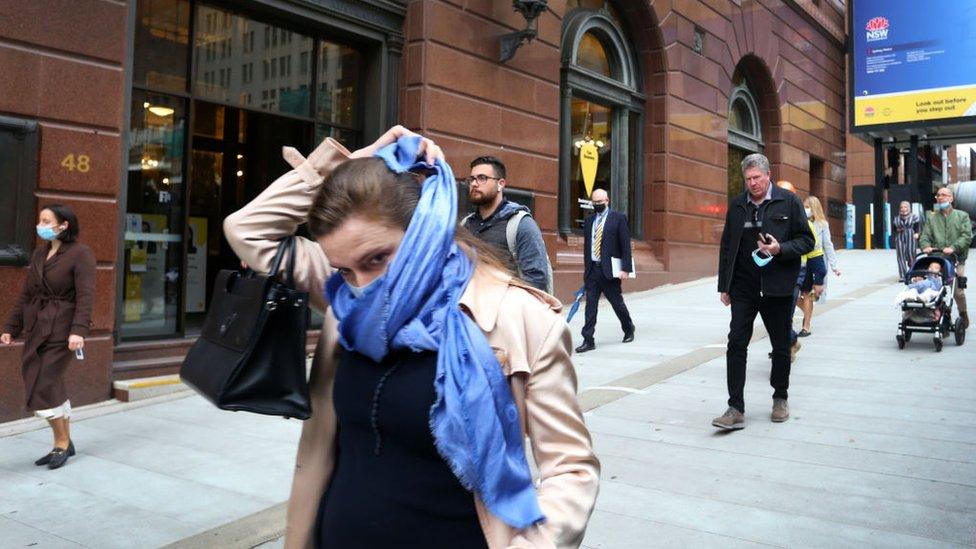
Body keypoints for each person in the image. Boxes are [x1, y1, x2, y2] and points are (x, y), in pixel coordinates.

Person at [222, 126, 599, 548]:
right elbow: (247, 229)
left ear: (425, 231)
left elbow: (571, 469)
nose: (363, 284)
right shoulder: (347, 298)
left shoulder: (522, 321)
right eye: (345, 269)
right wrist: (343, 168)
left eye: (377, 258)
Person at [714, 154, 814, 430]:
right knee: (736, 344)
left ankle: (780, 398)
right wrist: (725, 286)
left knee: (781, 346)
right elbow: (726, 247)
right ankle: (735, 407)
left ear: (768, 175)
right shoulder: (737, 205)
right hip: (744, 287)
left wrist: (780, 248)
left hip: (778, 287)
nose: (753, 183)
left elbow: (807, 240)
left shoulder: (789, 201)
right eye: (748, 179)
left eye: (757, 177)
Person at [2, 204, 96, 469]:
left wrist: (79, 331)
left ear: (63, 224)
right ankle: (66, 439)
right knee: (48, 383)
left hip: (63, 329)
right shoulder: (40, 253)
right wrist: (11, 326)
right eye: (40, 220)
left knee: (43, 383)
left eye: (46, 220)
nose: (40, 225)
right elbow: (27, 294)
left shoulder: (81, 254)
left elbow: (86, 296)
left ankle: (61, 443)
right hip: (37, 327)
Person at [461, 156, 552, 292]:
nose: (474, 184)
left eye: (482, 178)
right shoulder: (465, 225)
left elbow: (536, 281)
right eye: (472, 179)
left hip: (505, 310)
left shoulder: (520, 224)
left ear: (501, 184)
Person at [575, 188, 635, 353]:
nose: (597, 205)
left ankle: (628, 328)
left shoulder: (618, 219)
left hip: (609, 271)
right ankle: (588, 340)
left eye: (600, 202)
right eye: (594, 202)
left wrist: (625, 269)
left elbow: (625, 245)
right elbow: (589, 246)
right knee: (590, 306)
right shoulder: (589, 221)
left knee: (617, 303)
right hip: (593, 271)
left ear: (607, 201)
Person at [920, 186, 972, 328]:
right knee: (936, 287)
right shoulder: (932, 218)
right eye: (938, 195)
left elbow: (967, 236)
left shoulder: (962, 216)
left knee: (958, 291)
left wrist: (954, 247)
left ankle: (963, 313)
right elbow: (925, 236)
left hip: (956, 258)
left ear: (951, 198)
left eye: (944, 195)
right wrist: (925, 245)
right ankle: (943, 316)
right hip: (937, 258)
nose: (940, 197)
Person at [795, 196, 841, 337]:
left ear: (814, 208)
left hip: (814, 261)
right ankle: (807, 311)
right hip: (800, 262)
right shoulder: (799, 222)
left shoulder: (822, 224)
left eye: (808, 206)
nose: (805, 209)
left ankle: (806, 326)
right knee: (794, 295)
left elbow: (828, 245)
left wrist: (834, 266)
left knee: (806, 294)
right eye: (804, 206)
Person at [893, 201, 921, 280]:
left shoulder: (914, 217)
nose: (903, 209)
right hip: (900, 237)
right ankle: (903, 275)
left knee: (911, 255)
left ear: (909, 208)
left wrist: (917, 233)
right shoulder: (897, 218)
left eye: (905, 207)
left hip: (910, 236)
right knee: (900, 256)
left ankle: (912, 272)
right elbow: (894, 228)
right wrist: (897, 230)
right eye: (901, 207)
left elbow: (918, 226)